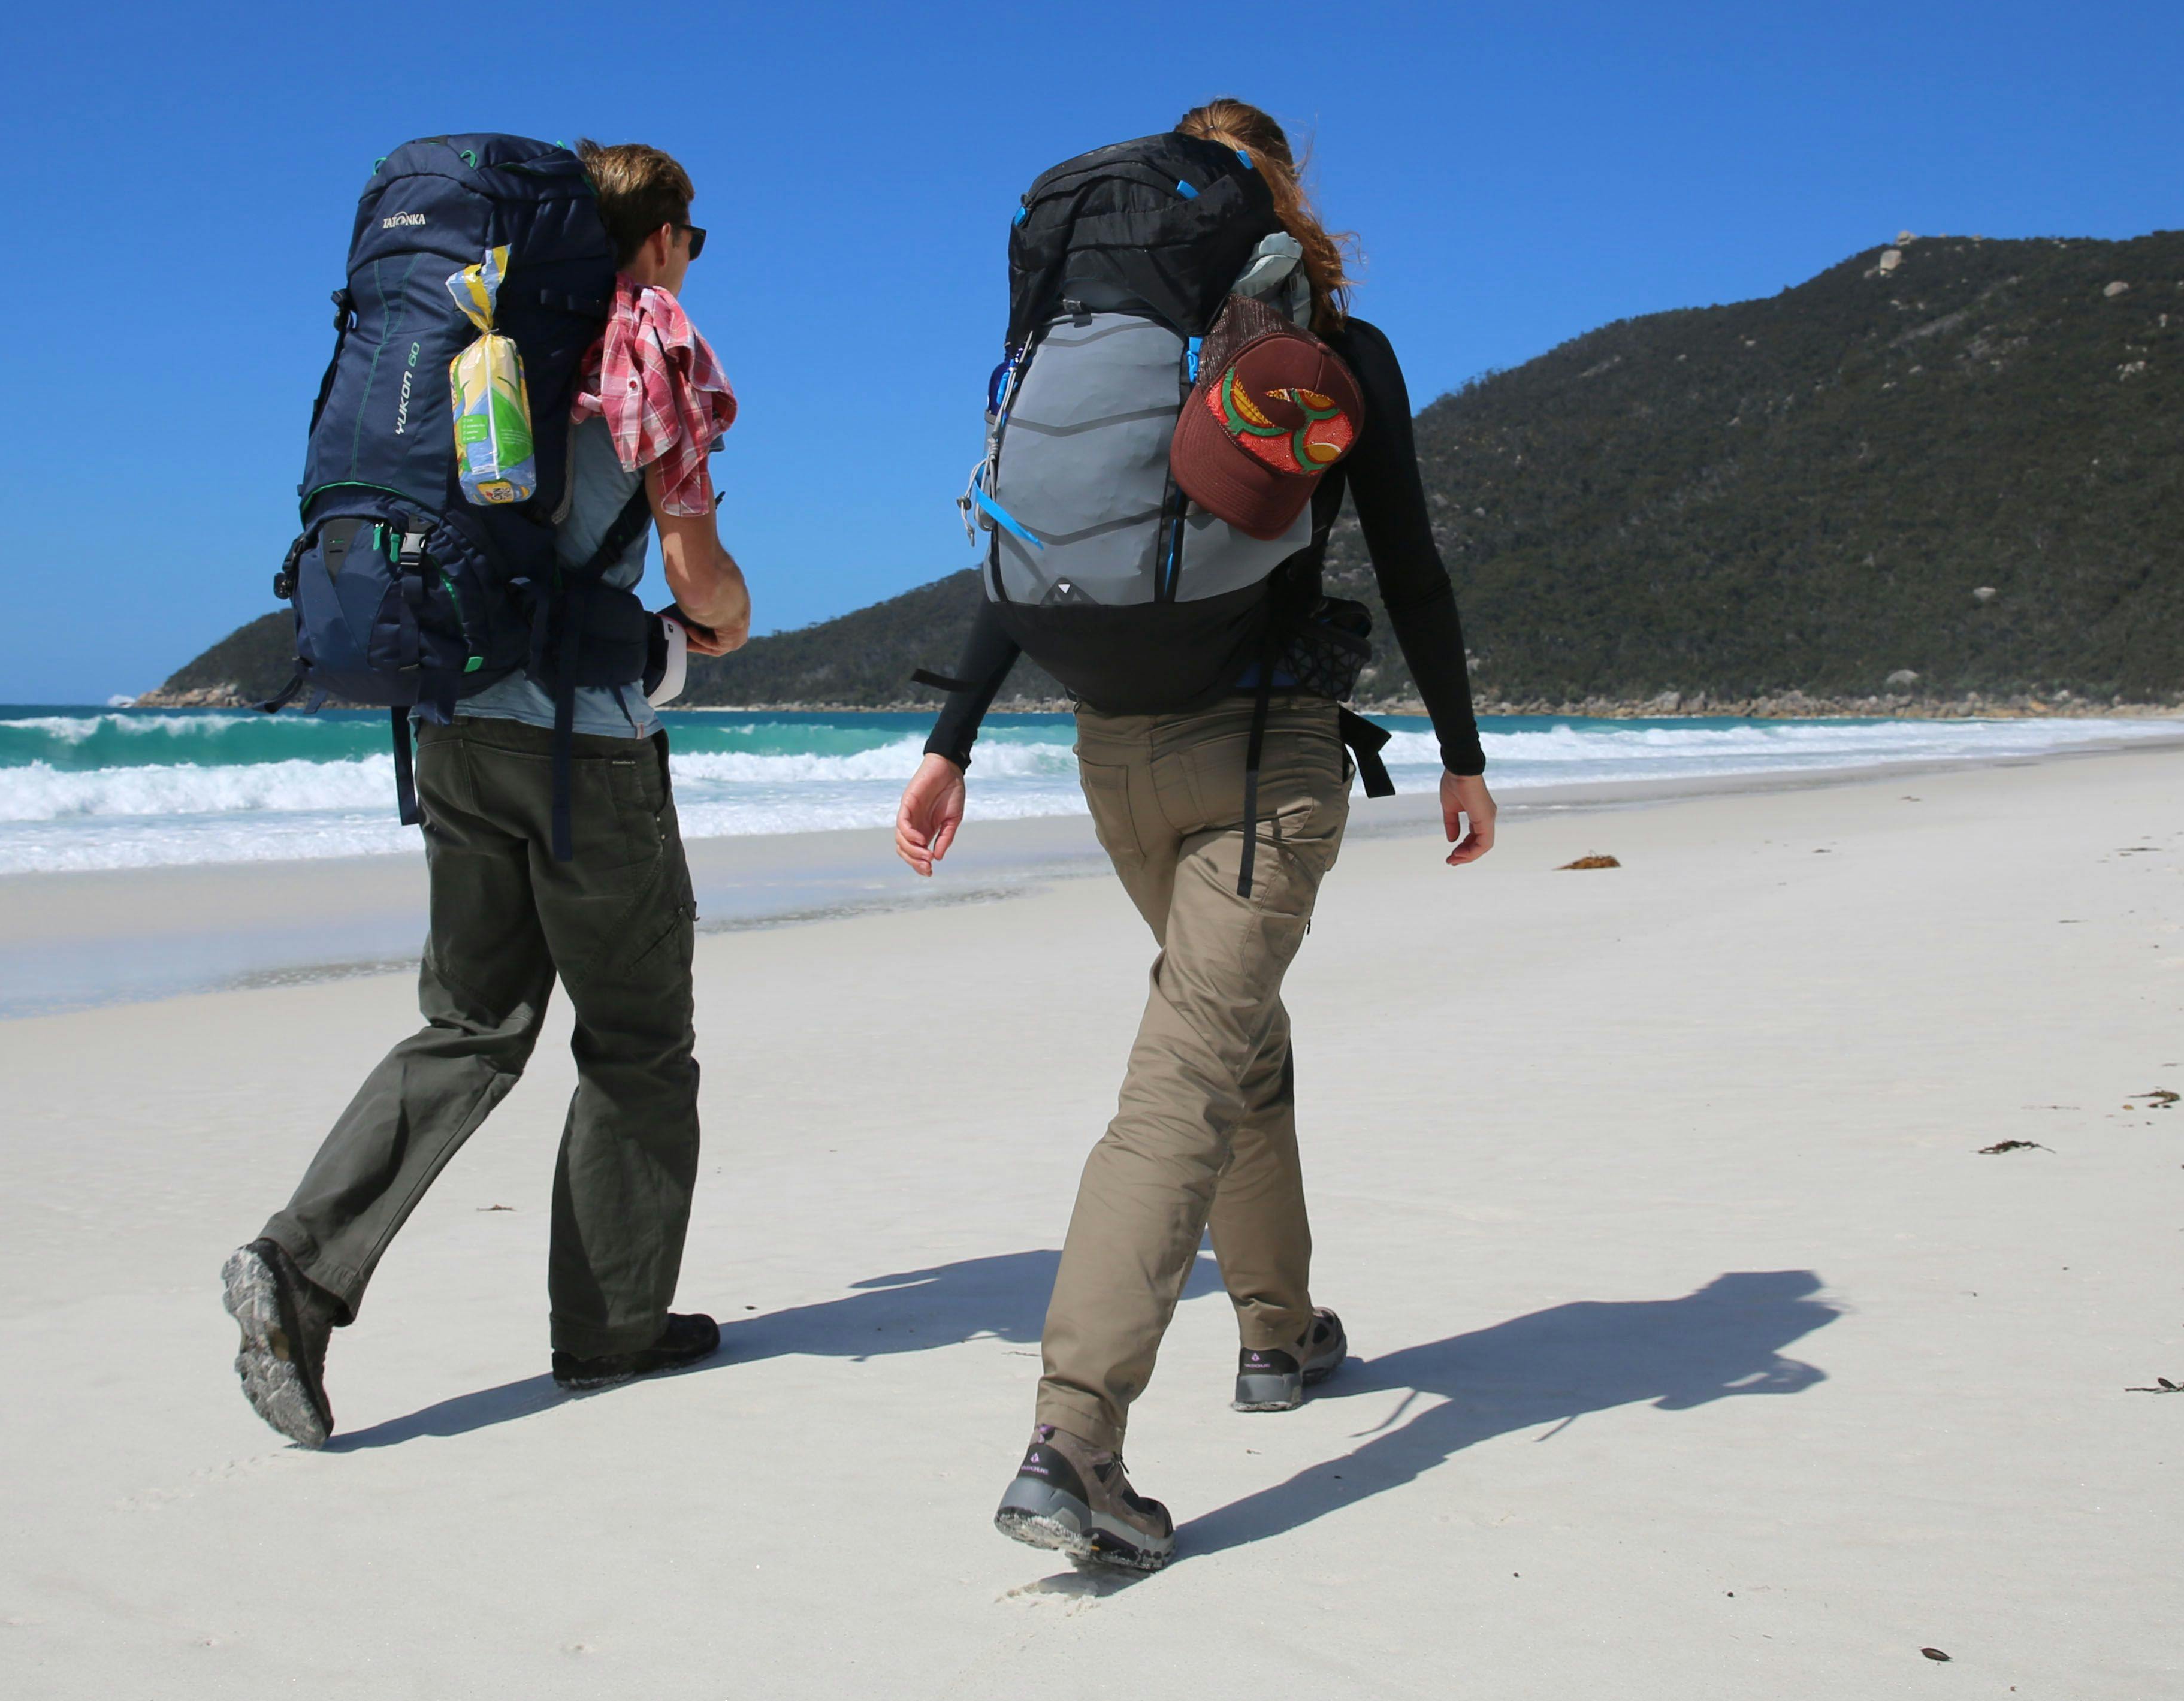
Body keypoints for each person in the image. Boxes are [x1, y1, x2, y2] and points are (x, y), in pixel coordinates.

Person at [893, 99, 1495, 1570]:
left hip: (1111, 752)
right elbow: (1407, 562)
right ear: (1275, 194)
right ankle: (1074, 1439)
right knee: (1185, 1076)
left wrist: (950, 740)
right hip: (1255, 760)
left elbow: (1017, 553)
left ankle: (1277, 1336)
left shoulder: (1092, 350)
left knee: (1236, 1039)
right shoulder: (1330, 353)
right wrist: (1465, 755)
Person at [225, 139, 750, 1447]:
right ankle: (611, 1329)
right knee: (636, 1043)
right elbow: (697, 569)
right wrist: (725, 625)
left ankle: (298, 1266)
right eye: (692, 234)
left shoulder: (469, 323)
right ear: (666, 234)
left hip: (450, 721)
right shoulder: (653, 343)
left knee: (468, 1024)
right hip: (587, 749)